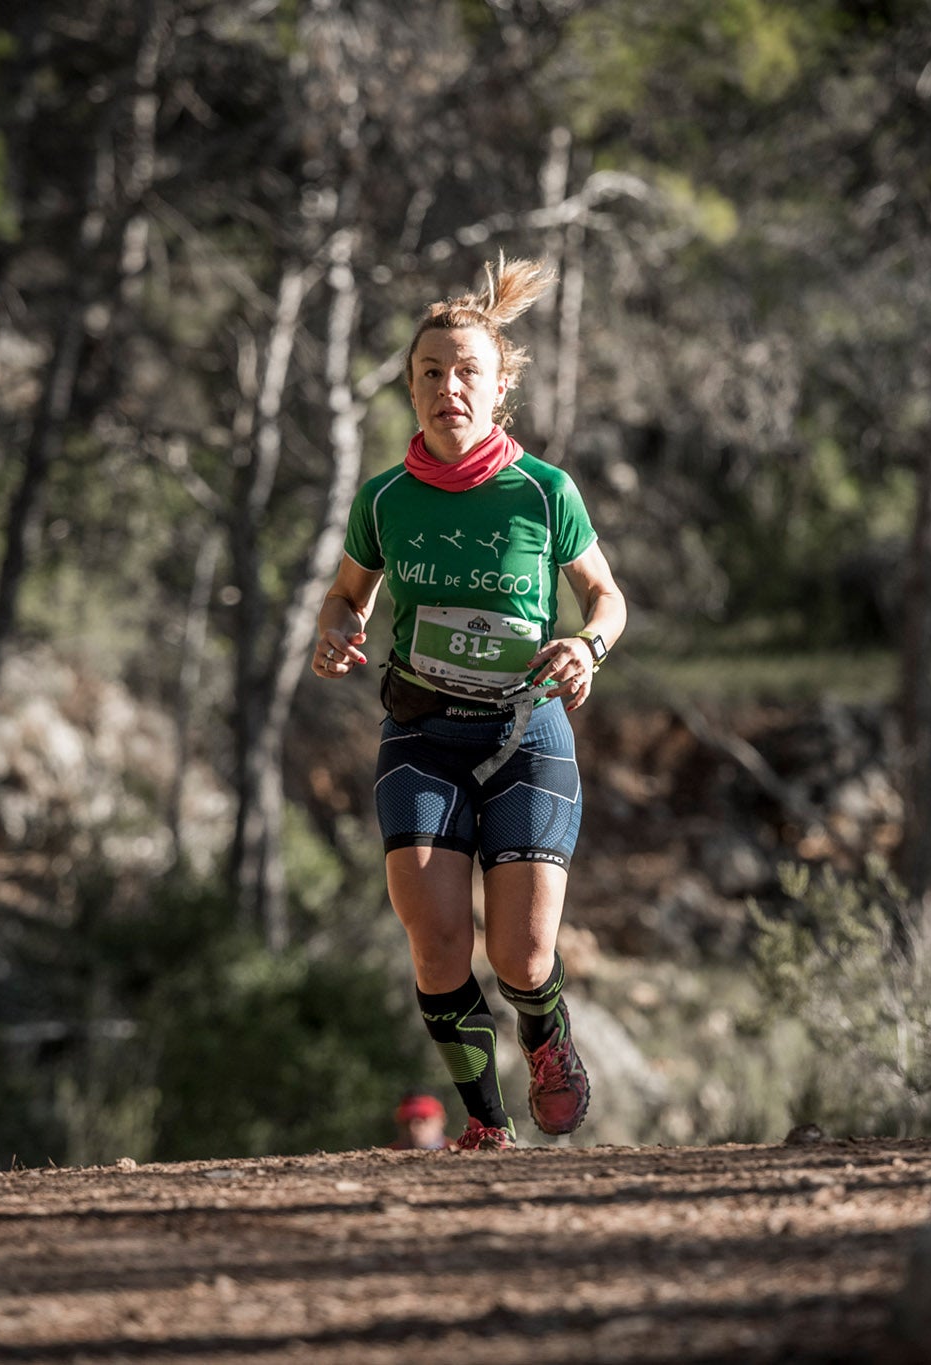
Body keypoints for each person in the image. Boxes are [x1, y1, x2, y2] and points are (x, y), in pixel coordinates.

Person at [311, 255, 628, 1151]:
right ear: (412, 389)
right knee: (436, 942)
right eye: (430, 374)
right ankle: (485, 1121)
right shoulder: (385, 500)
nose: (448, 388)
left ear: (498, 391)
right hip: (421, 732)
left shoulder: (544, 493)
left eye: (467, 374)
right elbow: (347, 596)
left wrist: (587, 644)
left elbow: (608, 597)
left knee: (523, 959)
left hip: (528, 734)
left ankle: (547, 1035)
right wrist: (336, 630)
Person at [389, 1091, 453, 1150]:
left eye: (420, 1121)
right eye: (406, 1122)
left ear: (441, 1121)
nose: (412, 1128)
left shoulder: (458, 1153)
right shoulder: (387, 1155)